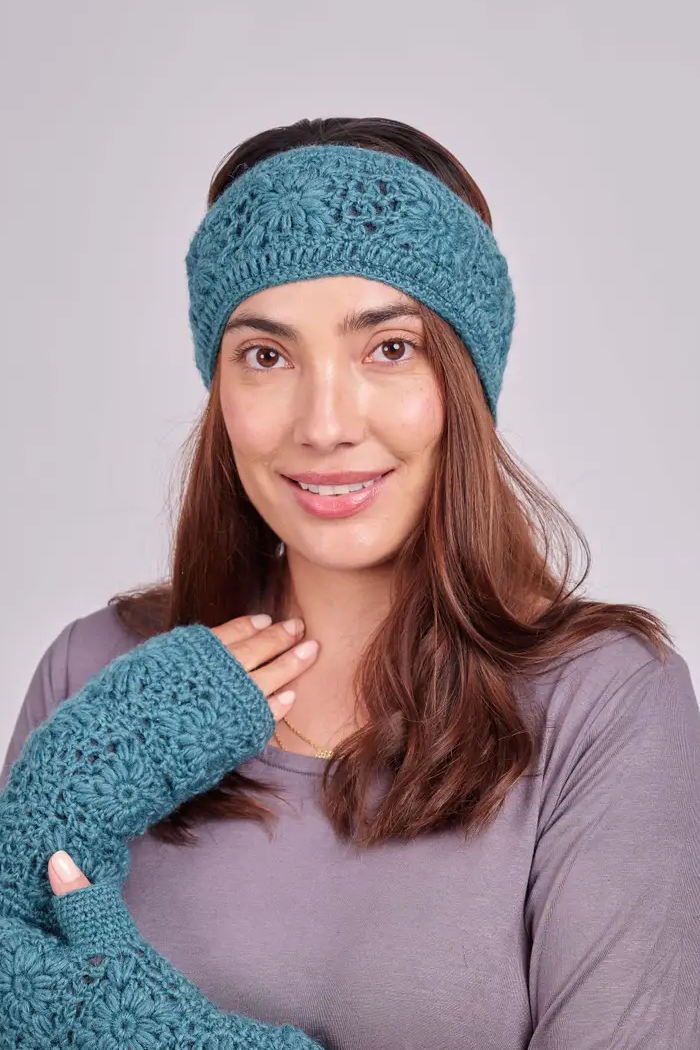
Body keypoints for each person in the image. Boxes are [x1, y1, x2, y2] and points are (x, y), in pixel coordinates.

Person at [0, 117, 698, 1050]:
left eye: (390, 349)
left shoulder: (602, 702)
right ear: (220, 392)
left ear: (464, 383)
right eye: (267, 355)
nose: (325, 424)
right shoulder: (95, 670)